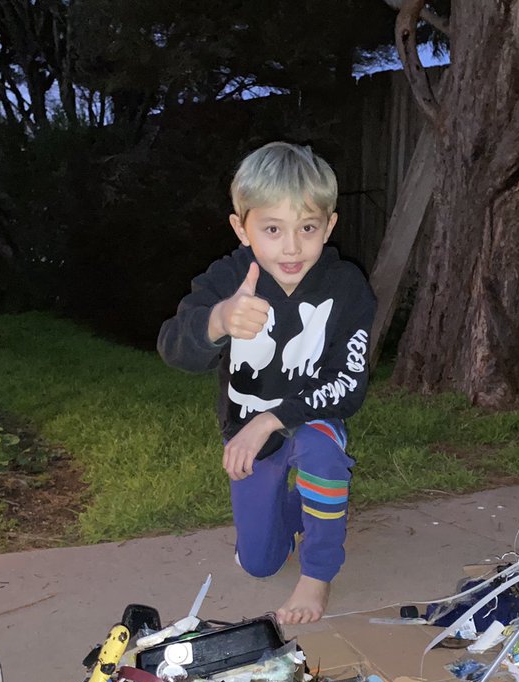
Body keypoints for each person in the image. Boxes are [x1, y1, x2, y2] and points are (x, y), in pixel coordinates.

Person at [157, 142, 376, 625]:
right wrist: (217, 320)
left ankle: (319, 572)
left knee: (321, 449)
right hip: (248, 431)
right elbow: (173, 346)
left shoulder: (348, 287)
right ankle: (317, 504)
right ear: (242, 228)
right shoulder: (229, 278)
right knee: (259, 564)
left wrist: (270, 420)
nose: (292, 247)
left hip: (307, 417)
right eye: (272, 229)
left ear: (329, 225)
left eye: (308, 228)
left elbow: (349, 384)